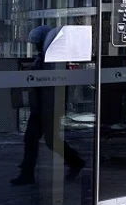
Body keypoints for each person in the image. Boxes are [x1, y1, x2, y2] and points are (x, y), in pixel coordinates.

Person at [11, 25, 86, 185]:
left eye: (38, 43)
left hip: (47, 106)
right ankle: (28, 171)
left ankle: (74, 161)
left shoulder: (52, 59)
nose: (36, 46)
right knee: (34, 139)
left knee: (47, 140)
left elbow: (52, 83)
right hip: (42, 105)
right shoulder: (46, 57)